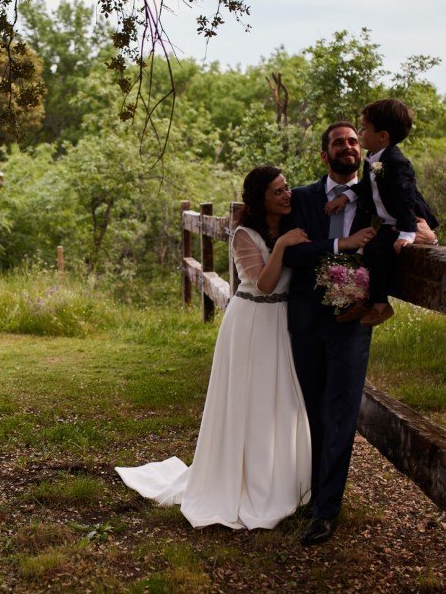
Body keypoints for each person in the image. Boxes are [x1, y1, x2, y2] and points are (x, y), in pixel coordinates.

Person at [116, 165, 312, 530]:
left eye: (287, 188)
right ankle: (238, 481)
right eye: (278, 192)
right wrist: (283, 246)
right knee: (248, 400)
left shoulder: (291, 221)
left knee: (280, 400)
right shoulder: (244, 234)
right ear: (260, 198)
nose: (287, 195)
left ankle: (281, 479)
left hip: (282, 324)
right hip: (252, 322)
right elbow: (265, 284)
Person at [283, 121, 438, 546]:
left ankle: (326, 510)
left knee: (342, 412)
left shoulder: (379, 189)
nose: (349, 146)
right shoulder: (302, 198)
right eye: (339, 142)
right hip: (306, 318)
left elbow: (425, 226)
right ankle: (310, 492)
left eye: (354, 140)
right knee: (313, 409)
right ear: (324, 154)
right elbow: (292, 251)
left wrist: (414, 233)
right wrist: (341, 245)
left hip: (354, 320)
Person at [324, 99, 439, 326]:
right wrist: (345, 196)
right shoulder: (373, 159)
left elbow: (406, 200)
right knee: (370, 250)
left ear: (383, 136)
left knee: (375, 251)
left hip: (407, 220)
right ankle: (370, 301)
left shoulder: (397, 163)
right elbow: (367, 187)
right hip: (391, 222)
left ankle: (380, 305)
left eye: (364, 128)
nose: (360, 132)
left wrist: (407, 234)